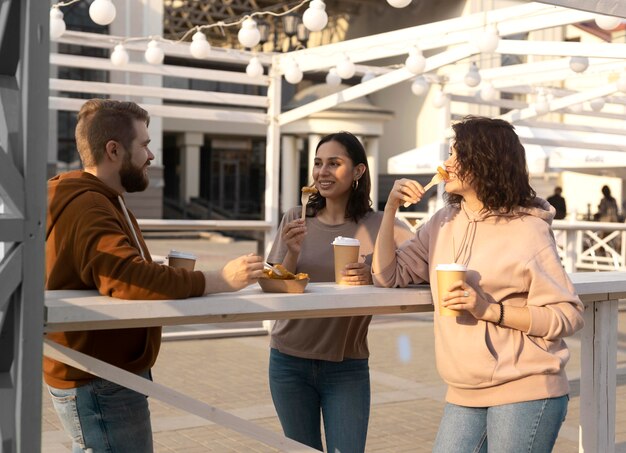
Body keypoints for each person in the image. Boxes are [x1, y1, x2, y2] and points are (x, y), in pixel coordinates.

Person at [45, 99, 264, 453]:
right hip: (100, 379)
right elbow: (129, 278)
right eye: (144, 145)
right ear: (113, 150)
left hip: (98, 373)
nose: (151, 156)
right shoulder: (89, 205)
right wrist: (220, 279)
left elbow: (111, 269)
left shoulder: (99, 198)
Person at [372, 116, 584, 452]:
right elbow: (388, 275)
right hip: (463, 391)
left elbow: (568, 315)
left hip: (526, 388)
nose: (447, 163)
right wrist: (390, 209)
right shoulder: (442, 222)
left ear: (486, 160)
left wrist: (487, 309)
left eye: (459, 154)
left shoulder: (529, 230)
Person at [267, 132, 413, 452]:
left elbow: (419, 265)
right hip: (288, 361)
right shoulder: (296, 217)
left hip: (346, 366)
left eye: (335, 163)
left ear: (358, 171)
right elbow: (274, 285)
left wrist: (375, 273)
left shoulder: (379, 224)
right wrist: (291, 252)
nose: (323, 172)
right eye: (318, 164)